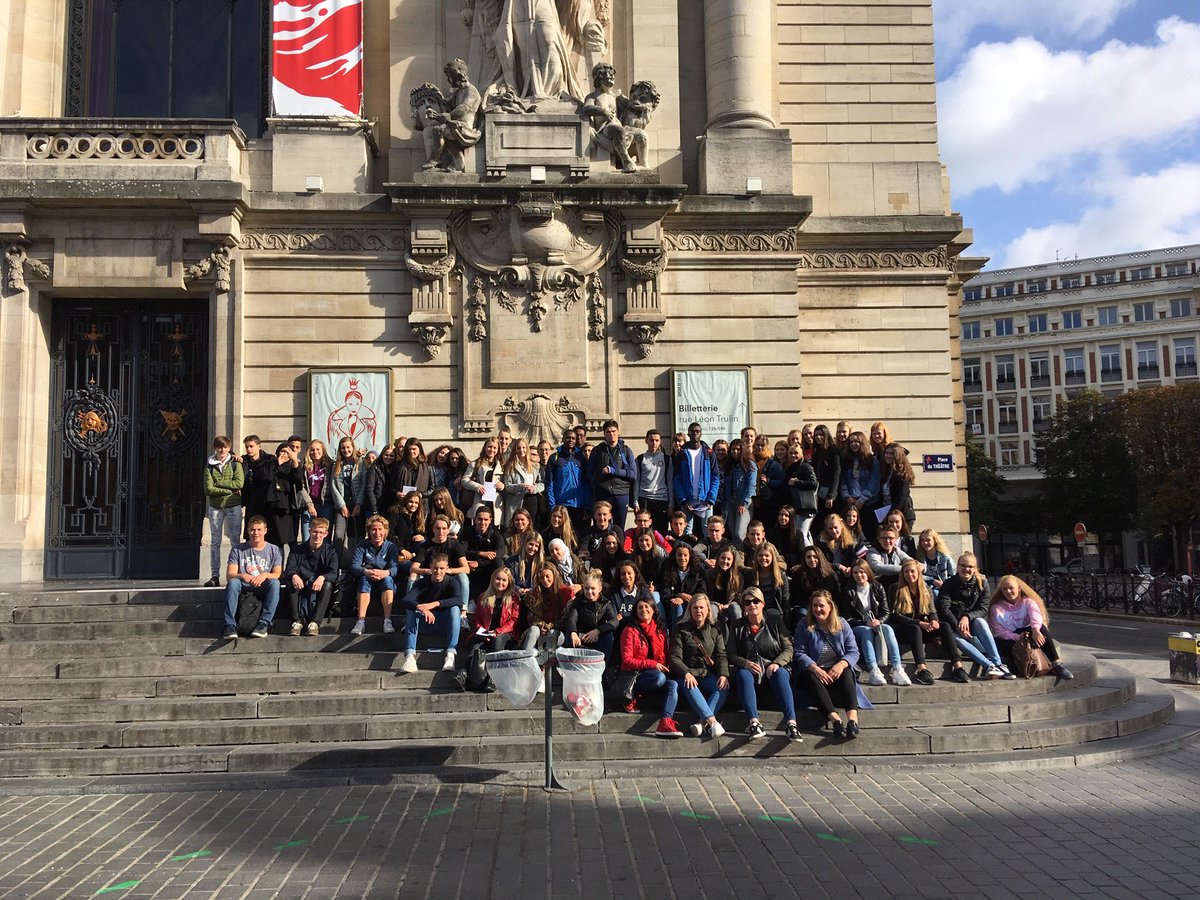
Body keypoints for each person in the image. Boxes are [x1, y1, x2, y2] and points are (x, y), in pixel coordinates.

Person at [793, 590, 873, 738]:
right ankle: (836, 721)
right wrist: (815, 668)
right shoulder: (804, 625)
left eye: (821, 606)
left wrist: (841, 664)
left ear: (830, 607)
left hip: (836, 670)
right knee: (810, 676)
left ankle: (852, 721)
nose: (818, 609)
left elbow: (853, 651)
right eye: (815, 606)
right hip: (814, 670)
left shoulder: (842, 624)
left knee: (847, 672)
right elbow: (799, 653)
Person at [728, 587, 802, 741]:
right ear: (743, 607)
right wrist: (745, 663)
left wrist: (777, 663)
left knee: (780, 673)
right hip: (751, 669)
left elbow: (788, 648)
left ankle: (791, 724)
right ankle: (754, 723)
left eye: (756, 601)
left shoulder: (775, 621)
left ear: (762, 603)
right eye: (747, 602)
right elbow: (731, 654)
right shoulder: (737, 625)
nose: (752, 605)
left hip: (772, 667)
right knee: (742, 674)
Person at [888, 558, 968, 684]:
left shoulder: (926, 589)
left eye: (912, 571)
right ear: (902, 574)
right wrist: (919, 623)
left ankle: (958, 667)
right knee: (915, 628)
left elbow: (932, 610)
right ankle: (921, 669)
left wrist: (934, 620)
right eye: (906, 572)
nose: (909, 574)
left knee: (945, 626)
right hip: (904, 629)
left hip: (923, 627)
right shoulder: (895, 588)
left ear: (918, 573)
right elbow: (895, 615)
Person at [937, 552, 1011, 679]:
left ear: (975, 569)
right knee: (955, 637)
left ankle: (998, 663)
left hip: (972, 623)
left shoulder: (983, 584)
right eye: (963, 565)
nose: (966, 569)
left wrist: (967, 617)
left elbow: (983, 609)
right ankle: (988, 665)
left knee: (981, 622)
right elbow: (944, 609)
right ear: (958, 566)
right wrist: (958, 626)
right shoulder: (948, 584)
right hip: (952, 626)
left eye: (970, 566)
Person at [616, 597, 683, 738]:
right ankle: (633, 695)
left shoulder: (660, 630)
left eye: (647, 607)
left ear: (653, 610)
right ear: (635, 611)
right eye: (640, 607)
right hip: (635, 676)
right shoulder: (629, 630)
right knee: (659, 678)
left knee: (673, 684)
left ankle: (665, 722)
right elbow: (627, 660)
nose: (644, 610)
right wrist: (653, 664)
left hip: (657, 673)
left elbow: (666, 655)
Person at [838, 559, 908, 686]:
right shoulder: (849, 591)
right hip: (859, 627)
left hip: (876, 623)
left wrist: (878, 621)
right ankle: (873, 669)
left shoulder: (877, 587)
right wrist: (866, 623)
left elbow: (886, 612)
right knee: (866, 631)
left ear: (868, 572)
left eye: (862, 572)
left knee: (888, 628)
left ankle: (898, 668)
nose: (859, 575)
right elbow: (847, 618)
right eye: (855, 573)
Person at [988, 575, 1073, 680]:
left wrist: (1035, 630)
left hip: (1029, 632)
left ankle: (1056, 664)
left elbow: (1035, 617)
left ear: (1019, 589)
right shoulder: (996, 608)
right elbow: (1000, 632)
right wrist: (1019, 637)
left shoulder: (1028, 602)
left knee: (1042, 629)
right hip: (1011, 638)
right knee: (1000, 642)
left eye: (1011, 588)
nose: (1008, 592)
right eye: (1004, 589)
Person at [453, 566, 522, 692]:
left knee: (498, 641)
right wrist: (482, 631)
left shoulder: (513, 598)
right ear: (493, 579)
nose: (500, 582)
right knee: (476, 646)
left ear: (509, 582)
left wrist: (496, 632)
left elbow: (513, 621)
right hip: (485, 633)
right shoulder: (483, 596)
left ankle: (493, 678)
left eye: (504, 580)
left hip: (506, 634)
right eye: (498, 579)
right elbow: (476, 619)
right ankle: (462, 675)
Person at [669, 594, 729, 739]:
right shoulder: (680, 629)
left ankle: (702, 723)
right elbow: (674, 657)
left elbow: (721, 655)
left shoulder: (715, 630)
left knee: (723, 687)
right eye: (695, 608)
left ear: (708, 610)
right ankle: (713, 722)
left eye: (701, 607)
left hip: (706, 674)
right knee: (690, 684)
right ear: (690, 610)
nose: (698, 611)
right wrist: (686, 672)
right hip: (686, 674)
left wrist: (723, 674)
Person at [398, 553, 464, 674]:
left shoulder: (452, 582)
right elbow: (407, 600)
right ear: (430, 567)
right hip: (426, 622)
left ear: (447, 568)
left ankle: (450, 655)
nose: (438, 571)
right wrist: (422, 609)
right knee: (411, 611)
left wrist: (434, 604)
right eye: (435, 568)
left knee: (455, 609)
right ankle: (410, 657)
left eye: (442, 568)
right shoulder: (422, 583)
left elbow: (458, 600)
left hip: (444, 624)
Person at [221, 515, 283, 640]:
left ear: (265, 531)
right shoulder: (237, 549)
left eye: (259, 530)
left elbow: (278, 574)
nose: (256, 533)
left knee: (275, 583)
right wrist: (242, 575)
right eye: (253, 530)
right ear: (248, 531)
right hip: (244, 584)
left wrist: (264, 575)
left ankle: (264, 623)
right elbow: (230, 575)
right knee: (233, 583)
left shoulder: (274, 550)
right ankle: (229, 625)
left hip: (262, 584)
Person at [282, 516, 339, 636]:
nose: (317, 535)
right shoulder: (297, 550)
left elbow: (334, 573)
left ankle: (315, 623)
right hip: (301, 584)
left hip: (319, 585)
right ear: (309, 531)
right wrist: (294, 575)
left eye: (321, 533)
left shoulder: (330, 551)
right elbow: (288, 570)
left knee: (328, 584)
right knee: (290, 581)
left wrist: (322, 577)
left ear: (326, 534)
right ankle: (296, 621)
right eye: (315, 532)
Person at [349, 514, 402, 636]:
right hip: (368, 576)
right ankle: (361, 621)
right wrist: (366, 571)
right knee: (364, 580)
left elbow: (395, 568)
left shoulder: (391, 547)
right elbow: (355, 566)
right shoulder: (362, 545)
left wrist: (385, 572)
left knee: (388, 580)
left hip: (384, 577)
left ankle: (387, 621)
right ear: (369, 531)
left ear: (385, 531)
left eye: (380, 529)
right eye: (373, 529)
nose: (377, 533)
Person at [203, 435, 244, 587]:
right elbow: (208, 489)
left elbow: (239, 483)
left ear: (229, 448)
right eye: (219, 447)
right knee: (215, 541)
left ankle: (235, 574)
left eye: (225, 447)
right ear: (215, 448)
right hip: (215, 507)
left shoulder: (235, 464)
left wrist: (218, 484)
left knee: (235, 541)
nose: (222, 450)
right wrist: (229, 489)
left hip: (233, 505)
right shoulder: (209, 466)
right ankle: (215, 575)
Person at [588, 419, 637, 530]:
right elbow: (589, 472)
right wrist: (597, 481)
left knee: (619, 528)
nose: (611, 434)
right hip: (603, 494)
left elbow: (633, 474)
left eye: (614, 431)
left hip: (621, 493)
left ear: (618, 432)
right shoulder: (597, 450)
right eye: (608, 432)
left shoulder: (626, 450)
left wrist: (613, 471)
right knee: (603, 527)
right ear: (604, 434)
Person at [672, 422, 719, 536]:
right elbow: (677, 479)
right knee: (686, 532)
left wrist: (711, 499)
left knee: (709, 532)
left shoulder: (708, 453)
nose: (695, 434)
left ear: (701, 433)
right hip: (688, 499)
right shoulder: (682, 454)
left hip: (705, 500)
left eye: (697, 431)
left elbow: (715, 477)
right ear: (688, 434)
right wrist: (683, 500)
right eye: (692, 431)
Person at [563, 570, 618, 656]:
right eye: (586, 588)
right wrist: (573, 632)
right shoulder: (578, 601)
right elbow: (571, 619)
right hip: (581, 635)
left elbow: (614, 621)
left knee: (608, 636)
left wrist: (598, 630)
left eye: (593, 588)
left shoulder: (606, 603)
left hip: (598, 636)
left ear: (599, 589)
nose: (589, 591)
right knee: (570, 635)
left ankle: (603, 662)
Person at [520, 562, 572, 652]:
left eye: (548, 576)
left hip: (558, 631)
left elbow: (566, 618)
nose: (545, 580)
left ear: (554, 575)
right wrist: (541, 626)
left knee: (552, 633)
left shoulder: (565, 592)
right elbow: (532, 617)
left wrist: (550, 627)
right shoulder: (534, 594)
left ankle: (548, 659)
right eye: (542, 577)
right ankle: (525, 657)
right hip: (540, 628)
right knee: (533, 630)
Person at [301, 439, 344, 543]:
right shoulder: (304, 467)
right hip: (309, 506)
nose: (315, 452)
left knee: (324, 538)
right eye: (312, 450)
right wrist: (309, 505)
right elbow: (301, 487)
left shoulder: (331, 465)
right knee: (307, 538)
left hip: (326, 505)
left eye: (318, 449)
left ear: (323, 450)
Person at [546, 429, 588, 533]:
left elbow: (586, 483)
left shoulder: (580, 458)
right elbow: (549, 483)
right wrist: (552, 506)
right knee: (563, 535)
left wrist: (587, 506)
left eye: (573, 438)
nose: (570, 440)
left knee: (578, 535)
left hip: (579, 505)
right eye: (568, 437)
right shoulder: (555, 458)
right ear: (563, 439)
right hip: (561, 505)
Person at [632, 429, 672, 535]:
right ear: (646, 441)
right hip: (644, 498)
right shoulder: (640, 459)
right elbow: (636, 481)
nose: (654, 443)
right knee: (644, 531)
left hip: (661, 499)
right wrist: (635, 502)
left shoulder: (667, 459)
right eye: (651, 440)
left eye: (656, 440)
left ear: (660, 441)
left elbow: (670, 481)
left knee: (661, 532)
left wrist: (671, 503)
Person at [657, 541, 706, 628]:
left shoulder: (698, 571)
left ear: (690, 556)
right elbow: (665, 594)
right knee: (678, 606)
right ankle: (675, 634)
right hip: (672, 609)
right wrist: (679, 596)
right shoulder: (667, 570)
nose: (682, 558)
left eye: (685, 555)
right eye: (679, 555)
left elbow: (702, 593)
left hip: (692, 606)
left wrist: (684, 599)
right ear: (675, 556)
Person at [461, 505, 504, 598]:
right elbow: (462, 551)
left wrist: (479, 562)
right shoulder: (467, 532)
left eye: (486, 519)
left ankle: (497, 595)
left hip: (487, 566)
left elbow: (500, 551)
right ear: (475, 519)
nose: (482, 522)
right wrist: (480, 553)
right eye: (480, 519)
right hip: (470, 566)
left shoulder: (495, 533)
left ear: (490, 520)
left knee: (498, 561)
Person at [501, 437, 544, 528]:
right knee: (516, 527)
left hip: (531, 499)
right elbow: (507, 486)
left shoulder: (534, 466)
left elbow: (542, 483)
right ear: (515, 450)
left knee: (531, 526)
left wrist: (534, 488)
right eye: (519, 448)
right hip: (516, 500)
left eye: (524, 448)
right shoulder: (510, 466)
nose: (521, 450)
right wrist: (520, 486)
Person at [746, 544, 791, 628]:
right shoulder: (751, 575)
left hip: (775, 611)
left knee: (771, 614)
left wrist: (787, 623)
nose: (763, 558)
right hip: (756, 610)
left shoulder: (781, 575)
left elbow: (785, 599)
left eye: (767, 555)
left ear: (772, 557)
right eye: (760, 555)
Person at [460, 436, 505, 520]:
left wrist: (502, 486)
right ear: (485, 447)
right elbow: (464, 480)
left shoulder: (502, 465)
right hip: (479, 500)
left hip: (496, 503)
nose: (491, 450)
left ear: (498, 449)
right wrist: (477, 487)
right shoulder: (475, 464)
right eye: (489, 447)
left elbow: (506, 483)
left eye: (494, 448)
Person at [783, 443, 818, 547]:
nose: (793, 455)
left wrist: (797, 482)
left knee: (801, 534)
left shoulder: (805, 467)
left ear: (802, 453)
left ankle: (810, 554)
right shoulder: (790, 469)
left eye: (796, 453)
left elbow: (814, 483)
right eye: (790, 453)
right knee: (805, 534)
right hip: (796, 508)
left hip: (806, 508)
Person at [722, 438, 757, 541]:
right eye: (733, 449)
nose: (735, 452)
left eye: (738, 449)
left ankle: (743, 552)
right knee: (733, 534)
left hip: (744, 503)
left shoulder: (749, 464)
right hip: (730, 502)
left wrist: (744, 503)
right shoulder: (730, 465)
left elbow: (751, 485)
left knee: (740, 533)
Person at [333, 436, 366, 547]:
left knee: (358, 534)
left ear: (353, 448)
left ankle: (356, 557)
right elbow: (333, 486)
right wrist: (342, 506)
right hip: (342, 504)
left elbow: (364, 484)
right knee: (338, 534)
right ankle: (337, 558)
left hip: (357, 504)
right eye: (343, 448)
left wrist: (359, 504)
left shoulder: (361, 463)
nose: (346, 450)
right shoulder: (336, 464)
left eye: (348, 447)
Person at [811, 423, 841, 539]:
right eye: (816, 435)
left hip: (830, 494)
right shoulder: (817, 452)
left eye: (821, 434)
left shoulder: (833, 450)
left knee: (831, 522)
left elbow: (836, 473)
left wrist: (831, 495)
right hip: (819, 493)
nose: (818, 437)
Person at [820, 513, 864, 580]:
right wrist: (839, 566)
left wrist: (851, 567)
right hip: (829, 573)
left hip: (847, 572)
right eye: (830, 528)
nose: (834, 531)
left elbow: (855, 557)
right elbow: (821, 561)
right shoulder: (822, 541)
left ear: (841, 526)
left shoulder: (851, 539)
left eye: (835, 527)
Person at [916, 528, 955, 593]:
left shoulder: (945, 558)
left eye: (928, 540)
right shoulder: (919, 558)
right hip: (925, 590)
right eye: (922, 540)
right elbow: (917, 575)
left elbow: (953, 575)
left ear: (935, 541)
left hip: (944, 590)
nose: (925, 542)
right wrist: (932, 581)